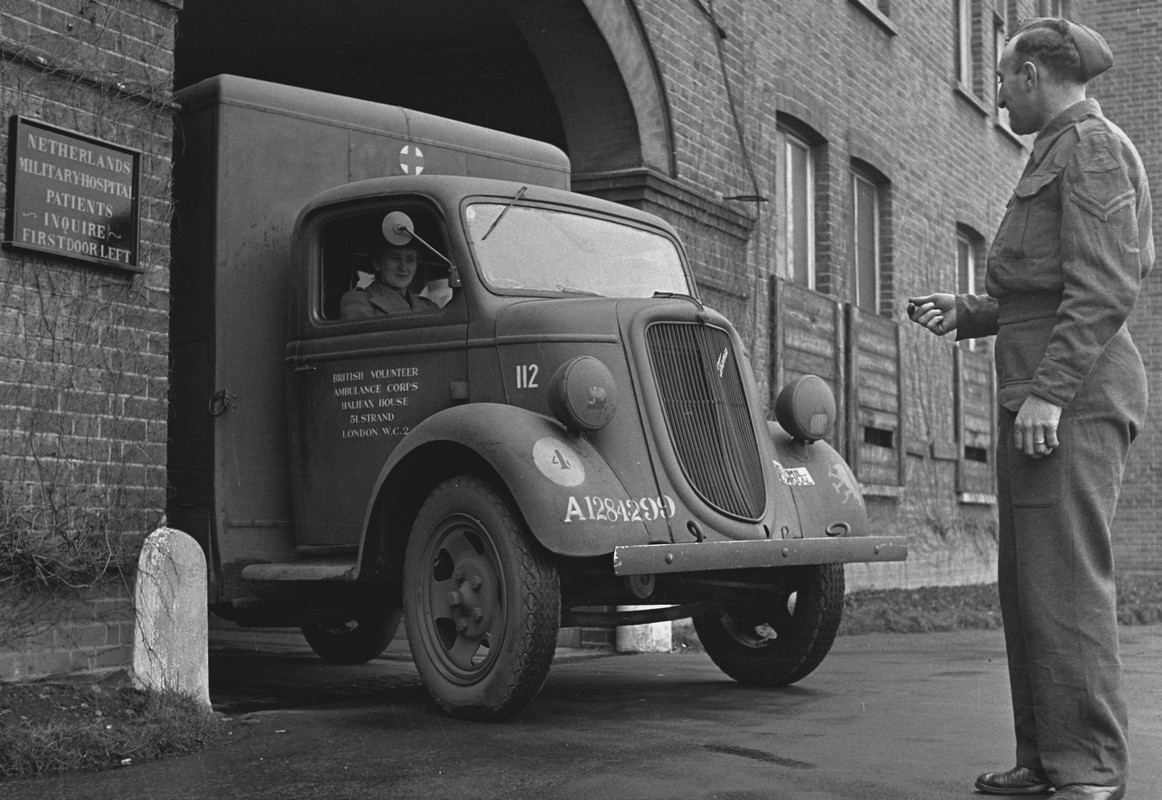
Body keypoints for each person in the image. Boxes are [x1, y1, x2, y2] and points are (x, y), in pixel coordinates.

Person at [908, 18, 1151, 800]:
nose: (1000, 94)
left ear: (1039, 74)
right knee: (1031, 589)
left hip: (1070, 397)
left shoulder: (1091, 147)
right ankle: (1047, 759)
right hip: (1038, 392)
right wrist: (971, 311)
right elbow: (1039, 286)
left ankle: (1091, 772)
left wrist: (1048, 392)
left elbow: (1106, 286)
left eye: (1006, 79)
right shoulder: (1051, 151)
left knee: (1067, 587)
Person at [340, 241, 438, 318]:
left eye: (410, 259)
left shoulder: (429, 307)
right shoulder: (359, 301)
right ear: (377, 263)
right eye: (395, 258)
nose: (403, 267)